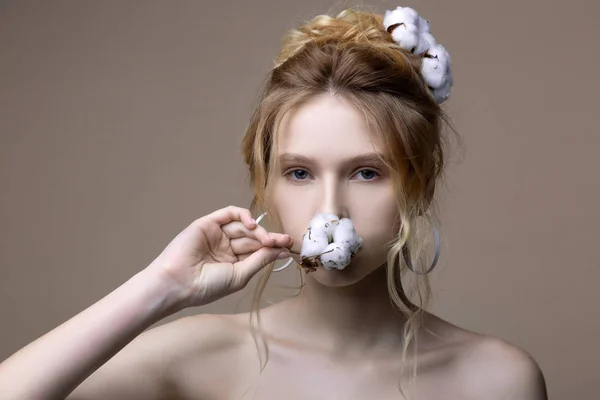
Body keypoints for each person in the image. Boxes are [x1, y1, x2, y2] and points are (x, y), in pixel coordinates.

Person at [0, 6, 548, 400]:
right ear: (265, 184)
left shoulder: (498, 379)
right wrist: (162, 285)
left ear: (419, 184)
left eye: (366, 172)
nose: (328, 209)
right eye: (300, 172)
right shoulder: (196, 360)